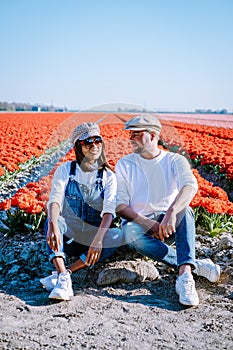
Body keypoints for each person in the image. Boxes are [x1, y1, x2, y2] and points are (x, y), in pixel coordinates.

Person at [115, 114, 221, 307]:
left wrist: (171, 213)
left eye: (137, 134)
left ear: (153, 136)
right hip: (140, 224)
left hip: (169, 225)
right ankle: (191, 267)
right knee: (129, 232)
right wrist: (149, 223)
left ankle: (185, 277)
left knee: (185, 211)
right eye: (131, 134)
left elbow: (189, 186)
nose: (131, 138)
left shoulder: (174, 160)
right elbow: (120, 206)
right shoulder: (125, 164)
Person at [40, 122, 123, 301]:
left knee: (117, 234)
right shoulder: (65, 171)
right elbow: (55, 200)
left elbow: (109, 211)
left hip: (93, 239)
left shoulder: (108, 176)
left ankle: (66, 273)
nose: (94, 146)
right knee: (53, 221)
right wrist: (53, 224)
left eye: (97, 141)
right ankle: (63, 277)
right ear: (79, 146)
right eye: (88, 142)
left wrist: (98, 240)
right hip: (69, 236)